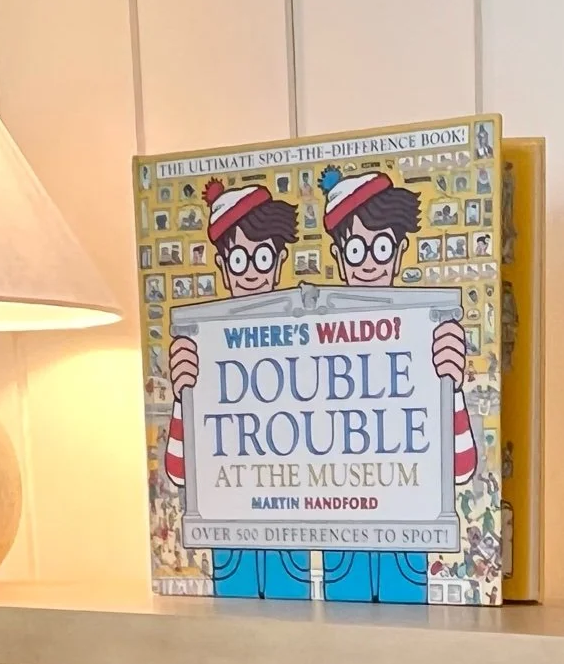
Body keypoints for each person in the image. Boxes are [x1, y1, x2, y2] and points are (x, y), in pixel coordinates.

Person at [313, 164, 479, 604]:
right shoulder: (315, 347)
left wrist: (452, 386)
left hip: (407, 537)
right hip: (340, 541)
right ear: (337, 256)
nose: (368, 263)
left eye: (381, 247)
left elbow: (461, 467)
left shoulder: (425, 332)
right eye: (355, 250)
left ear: (400, 251)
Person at [161, 179, 312, 599]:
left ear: (279, 262)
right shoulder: (203, 342)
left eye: (261, 257)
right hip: (230, 518)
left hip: (293, 514)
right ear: (223, 265)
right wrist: (182, 396)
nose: (249, 271)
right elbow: (179, 471)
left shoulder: (304, 341)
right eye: (239, 258)